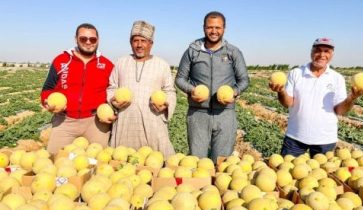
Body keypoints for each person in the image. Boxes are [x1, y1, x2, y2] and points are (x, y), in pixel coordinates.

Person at [269, 38, 363, 157]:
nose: (322, 55)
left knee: (322, 175)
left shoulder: (337, 78)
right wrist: (281, 91)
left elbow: (340, 110)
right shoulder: (296, 73)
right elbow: (288, 102)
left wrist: (352, 98)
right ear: (311, 52)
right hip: (295, 137)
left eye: (326, 51)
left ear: (332, 55)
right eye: (318, 50)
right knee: (286, 172)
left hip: (325, 139)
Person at [175, 11, 249, 162]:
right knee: (197, 161)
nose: (214, 31)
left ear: (224, 28)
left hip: (225, 114)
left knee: (222, 162)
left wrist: (234, 92)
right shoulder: (192, 51)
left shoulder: (233, 52)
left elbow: (244, 80)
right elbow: (180, 79)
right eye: (210, 27)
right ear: (204, 28)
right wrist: (191, 90)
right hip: (198, 113)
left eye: (218, 27)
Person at [40, 23, 114, 154]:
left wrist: (113, 110)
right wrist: (47, 101)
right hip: (65, 120)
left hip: (96, 122)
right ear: (76, 39)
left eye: (92, 39)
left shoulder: (107, 65)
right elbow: (47, 88)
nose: (88, 42)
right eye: (83, 38)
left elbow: (113, 92)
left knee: (98, 164)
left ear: (98, 40)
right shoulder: (61, 60)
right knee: (55, 159)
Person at [107, 20, 176, 158]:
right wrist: (112, 100)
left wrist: (166, 104)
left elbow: (170, 91)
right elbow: (112, 87)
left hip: (153, 124)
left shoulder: (161, 65)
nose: (139, 45)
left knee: (156, 163)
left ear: (151, 43)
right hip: (125, 123)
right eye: (135, 40)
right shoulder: (121, 62)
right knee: (122, 163)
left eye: (143, 41)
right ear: (130, 43)